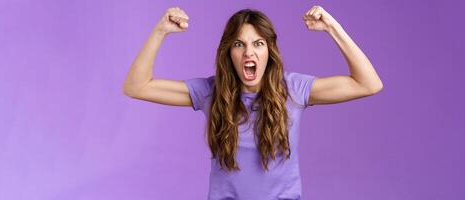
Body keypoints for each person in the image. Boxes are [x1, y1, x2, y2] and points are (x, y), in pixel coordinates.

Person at [123, 5, 383, 200]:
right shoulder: (210, 92)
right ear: (229, 53)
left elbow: (368, 84)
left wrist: (332, 28)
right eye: (239, 44)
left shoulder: (293, 89)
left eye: (258, 44)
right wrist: (160, 31)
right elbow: (136, 86)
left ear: (269, 51)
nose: (249, 52)